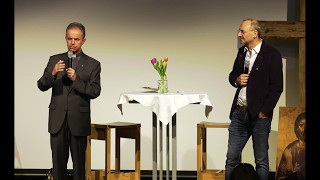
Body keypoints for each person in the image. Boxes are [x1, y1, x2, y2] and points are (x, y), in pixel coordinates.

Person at [37, 22, 101, 180]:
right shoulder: (55, 60)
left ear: (83, 41)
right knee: (58, 165)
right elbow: (41, 85)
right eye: (69, 39)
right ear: (65, 39)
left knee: (79, 166)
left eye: (76, 39)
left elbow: (95, 91)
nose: (72, 42)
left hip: (78, 120)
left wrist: (76, 79)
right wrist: (52, 74)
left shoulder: (93, 64)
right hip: (57, 119)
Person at [225, 18, 283, 180]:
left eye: (242, 31)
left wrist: (265, 111)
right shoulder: (242, 52)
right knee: (231, 159)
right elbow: (232, 76)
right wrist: (237, 80)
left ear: (255, 33)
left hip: (259, 116)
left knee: (261, 161)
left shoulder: (271, 54)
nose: (239, 34)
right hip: (239, 113)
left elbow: (277, 87)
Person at [276, 112, 306, 180]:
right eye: (301, 125)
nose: (304, 128)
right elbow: (280, 177)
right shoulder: (290, 150)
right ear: (296, 128)